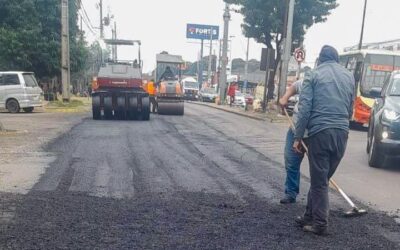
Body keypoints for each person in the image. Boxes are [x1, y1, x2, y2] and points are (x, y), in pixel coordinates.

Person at [293, 45, 355, 236]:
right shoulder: (349, 76)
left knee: (319, 181)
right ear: (337, 60)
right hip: (342, 134)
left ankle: (320, 224)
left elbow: (304, 109)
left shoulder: (313, 75)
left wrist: (297, 136)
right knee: (322, 178)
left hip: (320, 133)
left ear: (320, 59)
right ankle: (309, 215)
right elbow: (350, 108)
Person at [279, 79, 305, 204]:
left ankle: (317, 200)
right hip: (296, 127)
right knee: (291, 159)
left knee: (318, 166)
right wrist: (285, 98)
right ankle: (291, 192)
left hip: (316, 131)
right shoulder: (308, 80)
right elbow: (294, 86)